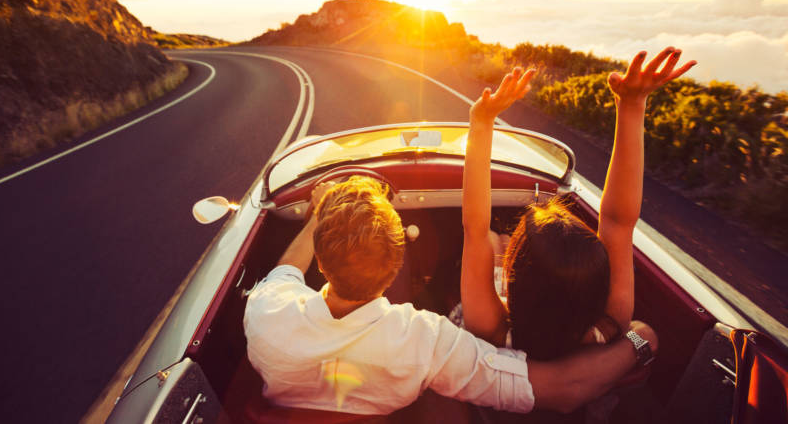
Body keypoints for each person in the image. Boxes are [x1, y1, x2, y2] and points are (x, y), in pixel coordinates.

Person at [244, 174, 659, 416]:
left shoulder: (265, 311)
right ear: (397, 266)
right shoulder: (426, 341)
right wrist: (640, 339)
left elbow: (286, 270)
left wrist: (319, 215)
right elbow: (563, 390)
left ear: (320, 262)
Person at [460, 47, 695, 359]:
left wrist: (481, 121)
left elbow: (475, 229)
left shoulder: (490, 329)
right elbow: (617, 222)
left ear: (511, 281)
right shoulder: (611, 325)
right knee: (491, 239)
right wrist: (633, 105)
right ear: (597, 292)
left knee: (491, 239)